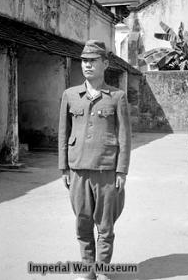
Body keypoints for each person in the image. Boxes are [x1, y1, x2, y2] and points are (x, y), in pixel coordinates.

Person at [58, 40, 131, 280]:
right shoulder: (70, 95)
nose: (87, 65)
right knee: (82, 223)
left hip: (106, 169)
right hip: (78, 169)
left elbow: (124, 136)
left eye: (93, 60)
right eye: (84, 60)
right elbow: (63, 133)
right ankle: (87, 271)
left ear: (105, 64)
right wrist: (63, 168)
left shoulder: (117, 97)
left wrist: (121, 171)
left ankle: (104, 270)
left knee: (106, 225)